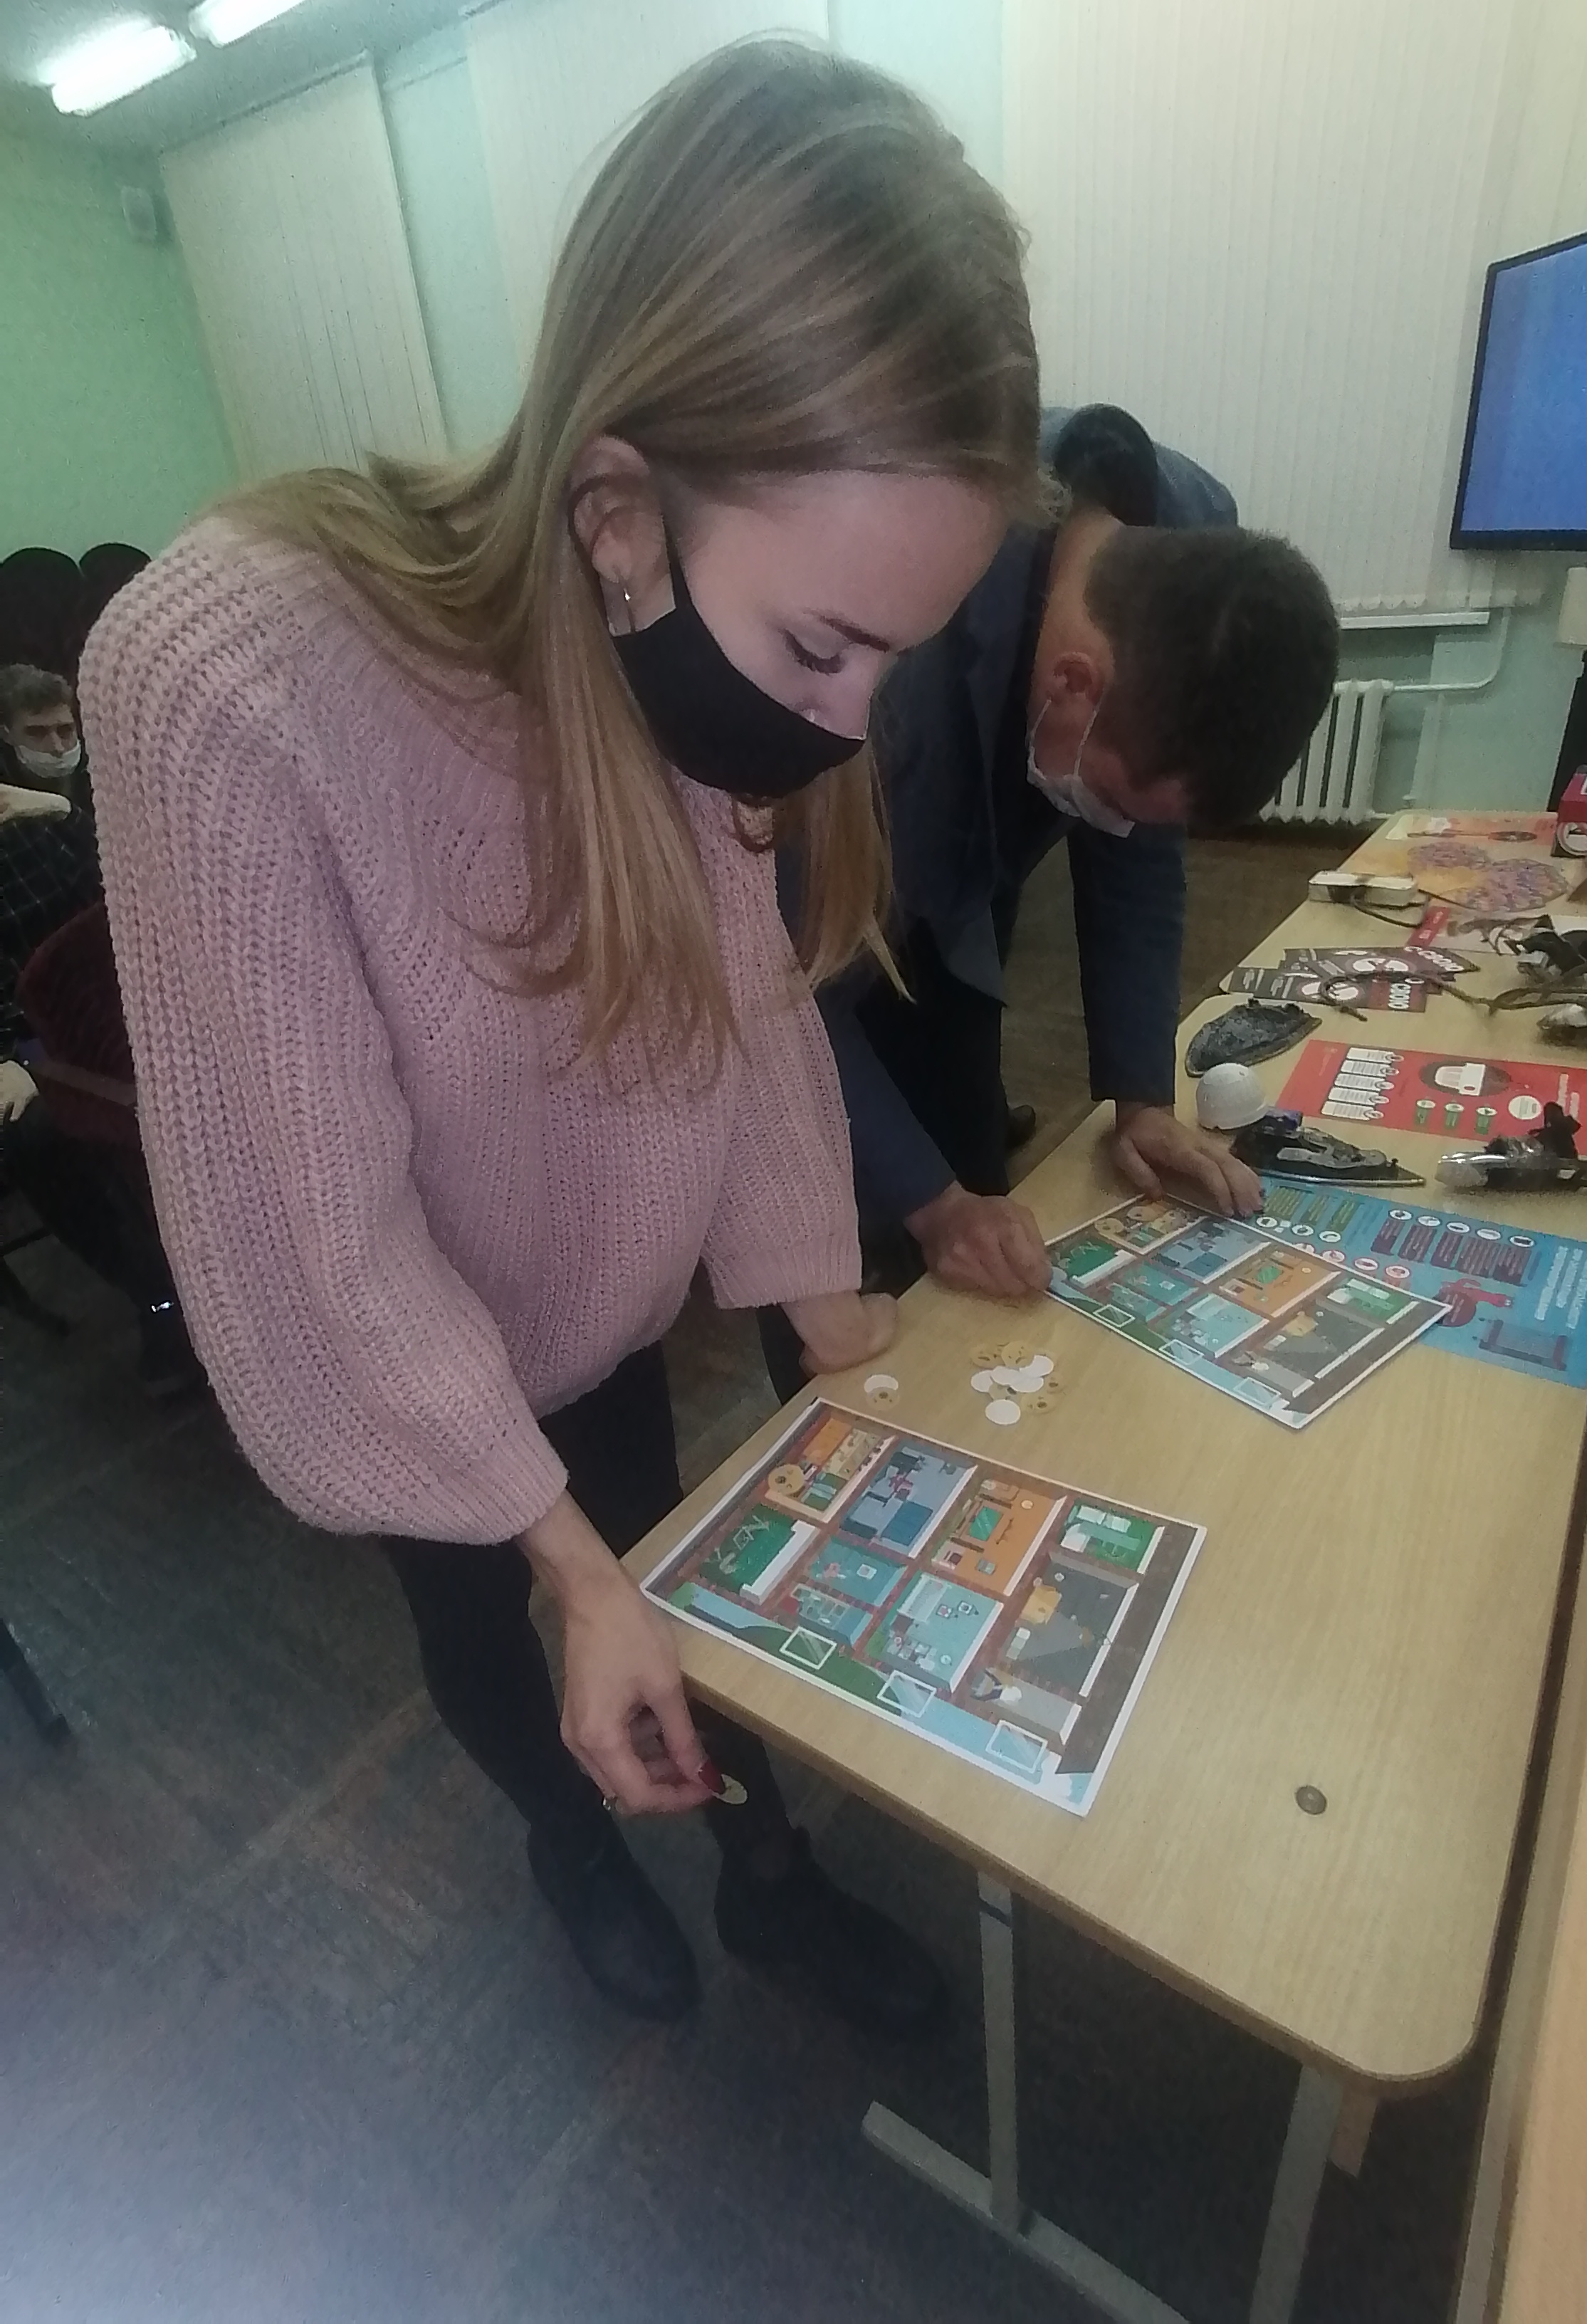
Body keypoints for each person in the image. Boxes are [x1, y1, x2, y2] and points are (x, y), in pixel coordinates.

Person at [81, 43, 1043, 2029]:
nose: (845, 730)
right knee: (502, 1623)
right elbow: (316, 1232)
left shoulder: (661, 649)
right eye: (820, 649)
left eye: (890, 660)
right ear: (619, 514)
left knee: (665, 1562)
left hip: (593, 1290)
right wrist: (563, 1563)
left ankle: (764, 1877)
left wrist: (831, 1312)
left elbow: (741, 1002)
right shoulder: (224, 678)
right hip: (406, 1332)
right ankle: (571, 1847)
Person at [765, 404, 1339, 1373]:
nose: (1111, 821)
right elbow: (783, 993)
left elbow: (1139, 851)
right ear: (1075, 683)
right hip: (793, 908)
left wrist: (1143, 1097)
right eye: (1108, 797)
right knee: (836, 1243)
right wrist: (930, 1203)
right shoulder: (888, 650)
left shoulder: (1193, 552)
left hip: (957, 877)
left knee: (975, 1198)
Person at [0, 789, 196, 1389]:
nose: (59, 748)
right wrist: (17, 1056)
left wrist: (64, 812)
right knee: (32, 1138)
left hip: (128, 1002)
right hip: (28, 1047)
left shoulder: (44, 820)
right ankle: (160, 1299)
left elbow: (137, 895)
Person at [1, 664, 91, 815]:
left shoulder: (105, 776)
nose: (57, 748)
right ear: (6, 735)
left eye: (65, 730)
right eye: (37, 733)